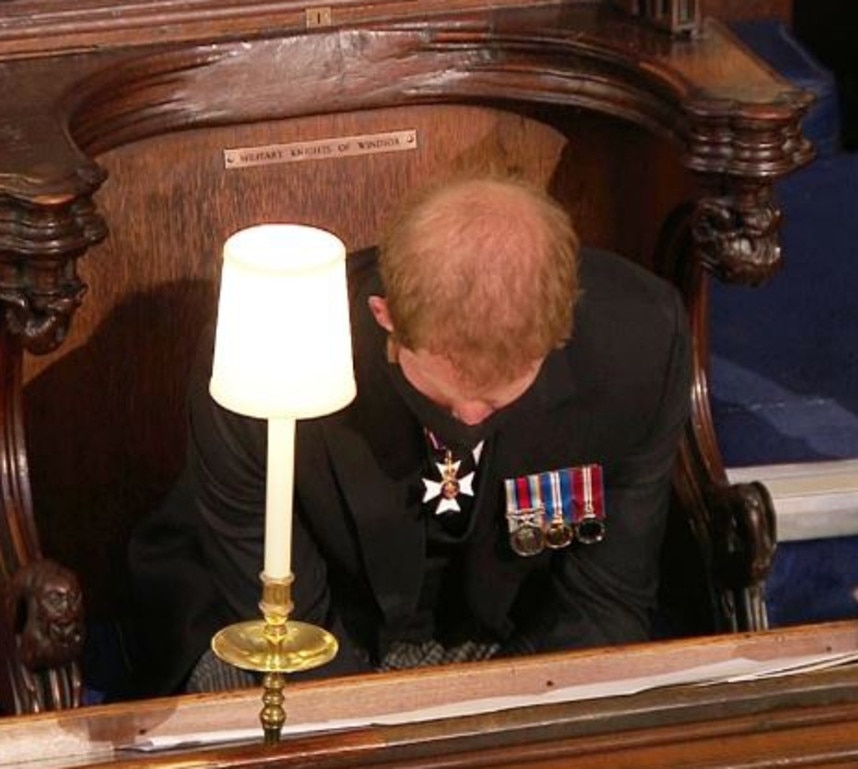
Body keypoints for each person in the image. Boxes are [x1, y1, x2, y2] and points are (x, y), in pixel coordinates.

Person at [128, 175, 692, 695]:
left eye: (498, 398)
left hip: (503, 625)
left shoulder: (637, 346)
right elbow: (278, 598)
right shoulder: (275, 344)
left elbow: (606, 596)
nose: (471, 417)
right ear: (386, 316)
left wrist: (531, 718)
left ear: (557, 337)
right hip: (297, 618)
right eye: (444, 397)